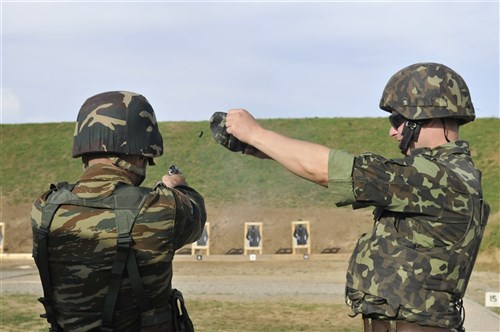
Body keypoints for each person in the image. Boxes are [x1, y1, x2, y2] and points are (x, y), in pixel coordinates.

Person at [215, 63, 489, 331]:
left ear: (425, 116)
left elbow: (326, 169)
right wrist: (262, 148)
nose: (392, 131)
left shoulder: (438, 177)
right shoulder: (442, 176)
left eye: (397, 120)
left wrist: (256, 133)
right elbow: (332, 169)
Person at [31, 91, 206, 331]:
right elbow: (196, 216)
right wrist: (181, 187)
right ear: (139, 150)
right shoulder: (161, 208)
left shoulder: (44, 208)